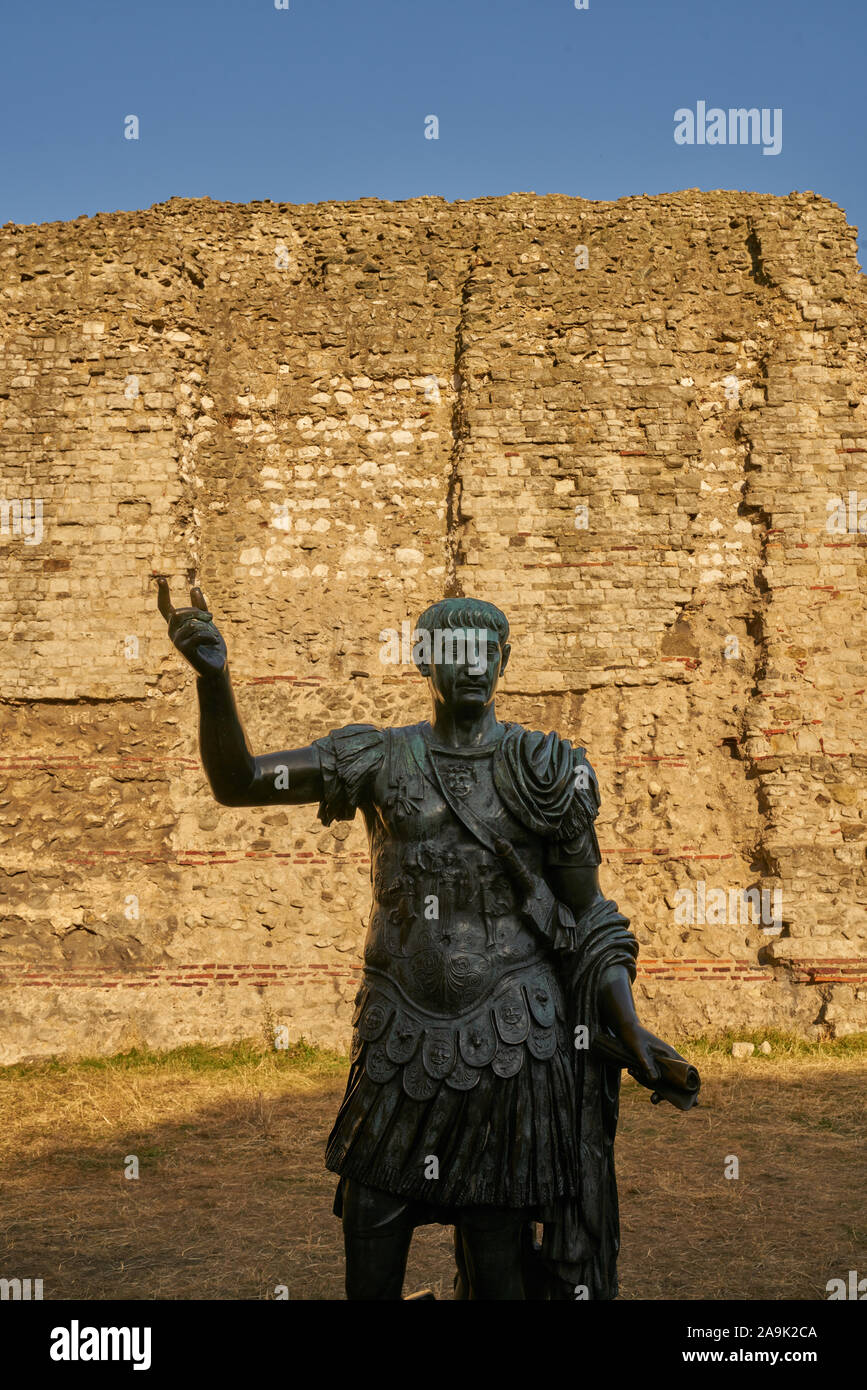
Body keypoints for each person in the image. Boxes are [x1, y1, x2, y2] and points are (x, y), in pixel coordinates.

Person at [158, 582, 684, 1299]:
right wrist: (214, 679)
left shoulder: (546, 770)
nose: (471, 668)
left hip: (512, 1030)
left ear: (504, 659)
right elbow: (241, 782)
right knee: (372, 1216)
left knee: (494, 1239)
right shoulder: (377, 757)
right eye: (454, 652)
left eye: (486, 653)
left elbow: (588, 919)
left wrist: (630, 1027)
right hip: (398, 1028)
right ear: (423, 661)